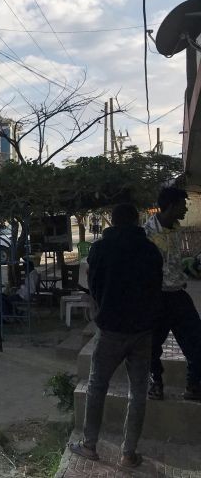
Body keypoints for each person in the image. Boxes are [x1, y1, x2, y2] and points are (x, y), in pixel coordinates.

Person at [70, 203, 163, 468]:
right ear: (136, 222)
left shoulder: (100, 249)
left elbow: (94, 286)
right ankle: (128, 453)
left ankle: (89, 446)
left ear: (112, 220)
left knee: (97, 387)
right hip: (142, 331)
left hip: (110, 329)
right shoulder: (150, 250)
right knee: (138, 392)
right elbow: (157, 287)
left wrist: (103, 308)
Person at [143, 186, 201, 401]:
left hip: (178, 295)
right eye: (182, 206)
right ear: (171, 206)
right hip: (156, 297)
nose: (185, 210)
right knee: (151, 346)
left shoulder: (176, 229)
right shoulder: (147, 233)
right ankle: (155, 383)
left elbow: (173, 262)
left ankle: (194, 385)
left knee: (196, 341)